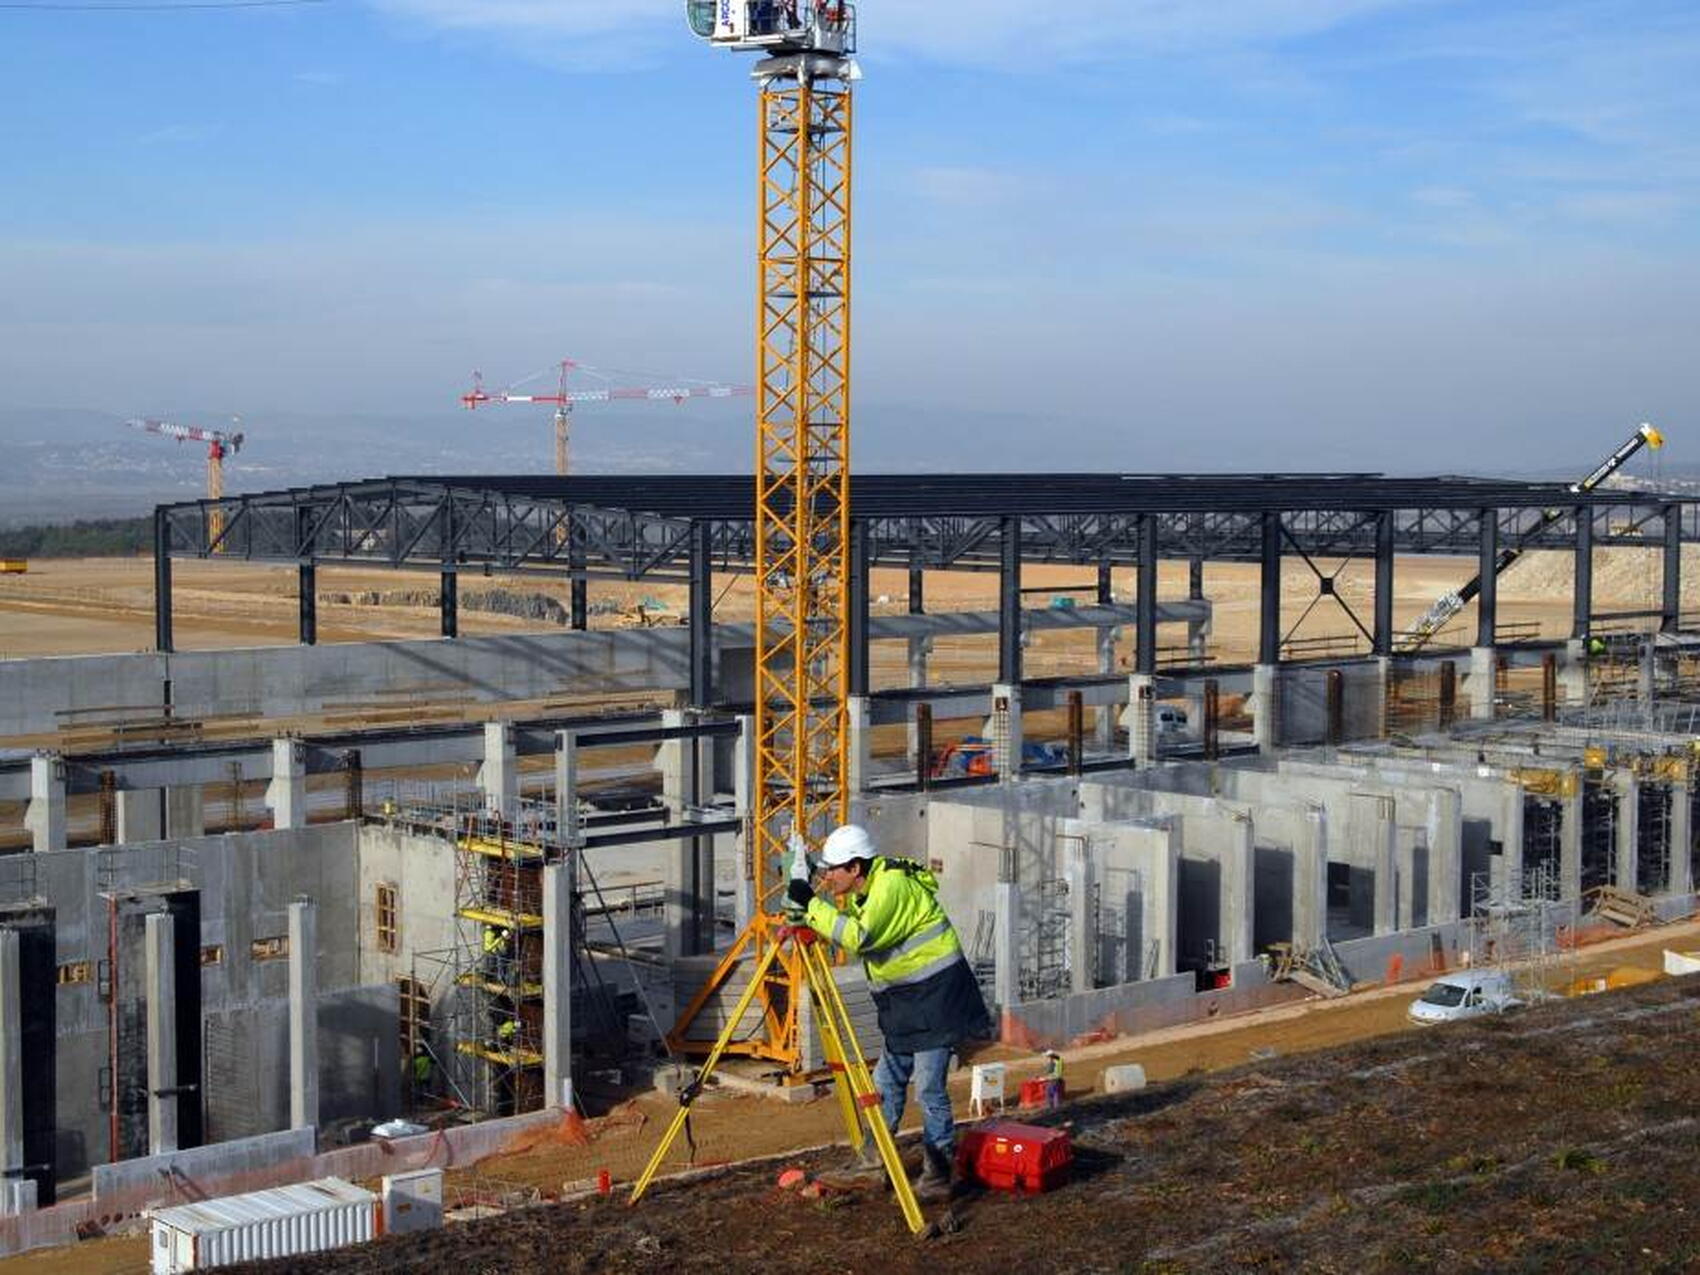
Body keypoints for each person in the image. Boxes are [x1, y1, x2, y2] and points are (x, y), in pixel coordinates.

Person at [788, 823, 992, 1203]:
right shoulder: (869, 889)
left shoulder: (889, 887)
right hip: (907, 1002)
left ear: (855, 868)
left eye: (832, 870)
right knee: (884, 1082)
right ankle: (872, 1163)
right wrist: (812, 914)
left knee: (930, 1088)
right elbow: (858, 935)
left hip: (937, 999)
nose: (827, 877)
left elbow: (861, 937)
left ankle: (938, 1175)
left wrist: (811, 906)